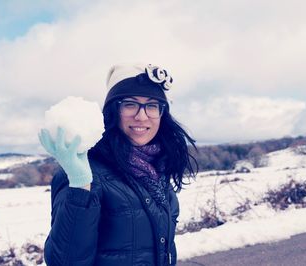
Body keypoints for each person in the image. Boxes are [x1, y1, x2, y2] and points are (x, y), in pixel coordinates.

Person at [39, 63, 198, 266]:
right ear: (114, 111)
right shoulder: (84, 174)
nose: (142, 116)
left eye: (151, 105)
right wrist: (80, 188)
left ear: (162, 113)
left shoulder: (158, 171)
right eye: (130, 104)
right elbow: (65, 262)